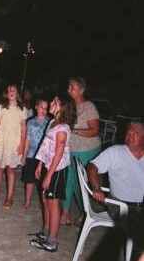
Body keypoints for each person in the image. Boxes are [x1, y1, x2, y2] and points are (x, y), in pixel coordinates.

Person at [88, 121, 144, 260]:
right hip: (120, 205)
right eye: (128, 133)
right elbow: (92, 166)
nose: (129, 136)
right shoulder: (116, 151)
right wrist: (96, 187)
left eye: (134, 133)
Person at [29, 96, 76, 253]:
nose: (50, 103)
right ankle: (45, 232)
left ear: (62, 108)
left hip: (56, 170)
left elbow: (58, 154)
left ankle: (52, 241)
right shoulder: (52, 122)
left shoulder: (62, 128)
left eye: (55, 102)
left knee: (53, 204)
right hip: (47, 167)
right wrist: (40, 165)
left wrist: (49, 175)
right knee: (45, 199)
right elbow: (45, 146)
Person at [61, 77, 100, 225]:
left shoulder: (89, 107)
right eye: (69, 87)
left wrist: (74, 130)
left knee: (81, 183)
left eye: (72, 87)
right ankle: (65, 213)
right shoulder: (69, 106)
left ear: (81, 90)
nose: (69, 90)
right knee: (68, 181)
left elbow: (95, 131)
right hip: (70, 149)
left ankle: (86, 212)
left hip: (87, 149)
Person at [0, 84, 27, 209]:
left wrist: (21, 143)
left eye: (14, 90)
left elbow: (24, 128)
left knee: (10, 169)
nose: (11, 92)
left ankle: (9, 197)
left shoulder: (22, 109)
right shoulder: (1, 107)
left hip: (13, 143)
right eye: (9, 90)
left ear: (17, 94)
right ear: (6, 93)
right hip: (1, 141)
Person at [22, 99, 50, 209]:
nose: (43, 110)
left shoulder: (49, 122)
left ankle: (44, 203)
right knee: (29, 179)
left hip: (43, 157)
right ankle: (27, 201)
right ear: (36, 107)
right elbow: (27, 140)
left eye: (45, 108)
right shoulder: (30, 122)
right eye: (41, 107)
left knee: (42, 181)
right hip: (31, 155)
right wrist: (24, 155)